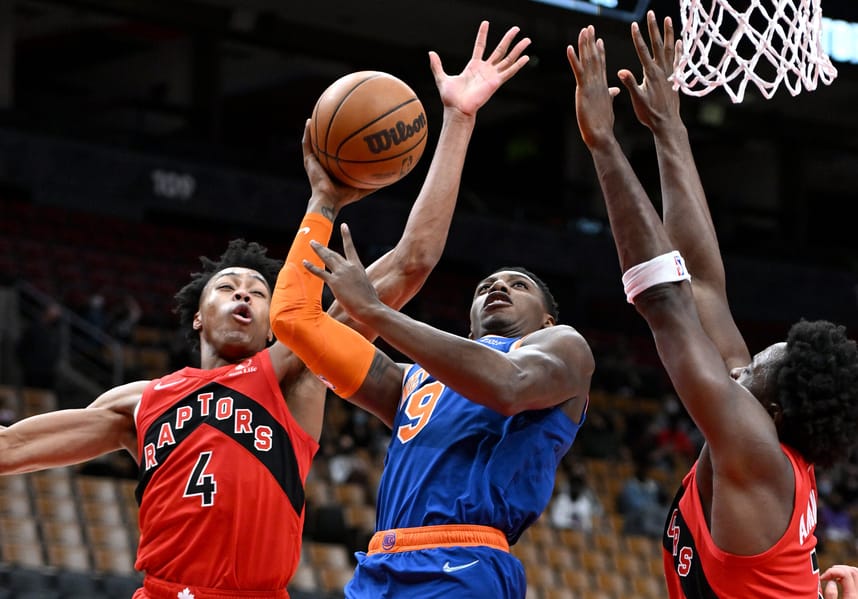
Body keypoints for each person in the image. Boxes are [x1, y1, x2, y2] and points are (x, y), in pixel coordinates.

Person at [0, 21, 528, 599]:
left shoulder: (293, 371)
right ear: (198, 315)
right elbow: (13, 448)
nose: (246, 294)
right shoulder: (136, 404)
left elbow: (410, 264)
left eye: (258, 288)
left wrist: (457, 122)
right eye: (228, 287)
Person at [567, 11, 858, 598]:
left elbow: (667, 305)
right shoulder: (759, 437)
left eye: (756, 368)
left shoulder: (755, 448)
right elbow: (700, 283)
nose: (743, 364)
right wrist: (668, 128)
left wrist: (603, 144)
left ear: (772, 412)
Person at [270, 94, 593, 599]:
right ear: (467, 326)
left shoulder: (566, 349)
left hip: (465, 560)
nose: (498, 286)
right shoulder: (408, 379)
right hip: (379, 566)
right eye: (486, 284)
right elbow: (294, 321)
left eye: (518, 284)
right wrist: (323, 203)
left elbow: (509, 386)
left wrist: (376, 311)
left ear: (547, 320)